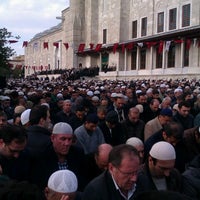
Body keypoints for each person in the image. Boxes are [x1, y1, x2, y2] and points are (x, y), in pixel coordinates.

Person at [30, 122, 87, 192]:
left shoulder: (78, 154)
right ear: (52, 138)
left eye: (69, 139)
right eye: (63, 139)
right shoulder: (42, 157)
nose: (67, 143)